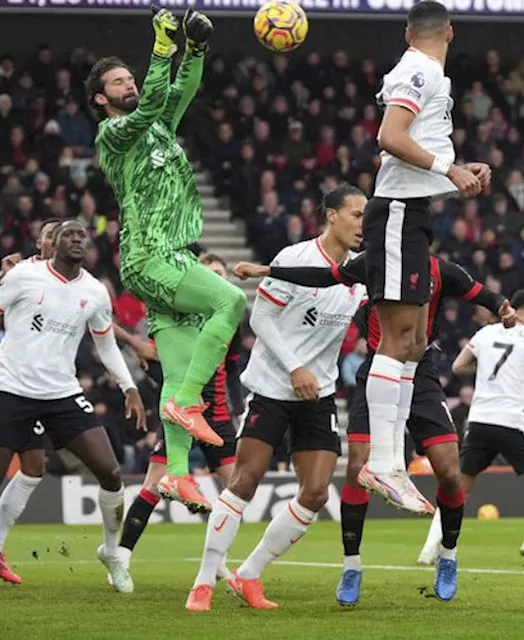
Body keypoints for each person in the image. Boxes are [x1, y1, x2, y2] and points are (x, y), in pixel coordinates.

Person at [233, 196, 516, 605]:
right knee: (358, 469)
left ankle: (448, 556)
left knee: (450, 472)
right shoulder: (372, 264)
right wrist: (267, 270)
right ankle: (351, 566)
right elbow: (321, 276)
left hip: (421, 376)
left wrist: (503, 308)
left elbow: (481, 293)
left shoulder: (439, 270)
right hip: (380, 372)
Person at [0, 220, 148, 598]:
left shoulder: (94, 291)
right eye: (68, 235)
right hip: (12, 389)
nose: (76, 240)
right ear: (53, 243)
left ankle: (111, 553)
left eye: (82, 236)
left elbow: (105, 344)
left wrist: (128, 386)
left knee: (109, 471)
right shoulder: (24, 275)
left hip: (61, 392)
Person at [88, 4, 246, 513]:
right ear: (101, 99)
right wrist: (163, 48)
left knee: (177, 372)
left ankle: (177, 474)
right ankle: (184, 404)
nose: (127, 85)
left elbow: (178, 92)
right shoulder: (113, 135)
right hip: (152, 253)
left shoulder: (156, 126)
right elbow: (157, 96)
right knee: (230, 302)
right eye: (117, 82)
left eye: (129, 77)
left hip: (165, 255)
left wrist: (194, 49)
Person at [185, 186, 366, 612]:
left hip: (318, 395)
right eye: (356, 215)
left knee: (317, 492)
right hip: (272, 387)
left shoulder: (360, 272)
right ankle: (204, 580)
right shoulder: (294, 259)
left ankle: (248, 574)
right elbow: (261, 317)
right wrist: (294, 367)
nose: (363, 224)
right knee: (244, 481)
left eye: (366, 216)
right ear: (332, 216)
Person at [359, 0, 489, 513]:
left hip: (412, 214)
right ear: (449, 32)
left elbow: (412, 147)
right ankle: (383, 461)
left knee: (413, 341)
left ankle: (393, 463)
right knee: (396, 340)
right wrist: (449, 169)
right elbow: (389, 137)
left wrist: (455, 168)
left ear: (408, 31)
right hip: (394, 213)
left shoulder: (426, 71)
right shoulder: (417, 69)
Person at [418, 292, 524, 579]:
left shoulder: (485, 332)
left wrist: (484, 368)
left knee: (458, 488)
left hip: (479, 420)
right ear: (518, 313)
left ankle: (428, 549)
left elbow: (458, 366)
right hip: (509, 422)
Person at [114, 253, 244, 591]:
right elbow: (157, 364)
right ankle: (121, 557)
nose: (218, 279)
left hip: (216, 416)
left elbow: (231, 368)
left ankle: (217, 564)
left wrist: (238, 405)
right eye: (210, 274)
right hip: (181, 410)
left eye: (221, 274)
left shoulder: (229, 319)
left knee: (236, 492)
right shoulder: (179, 313)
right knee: (154, 484)